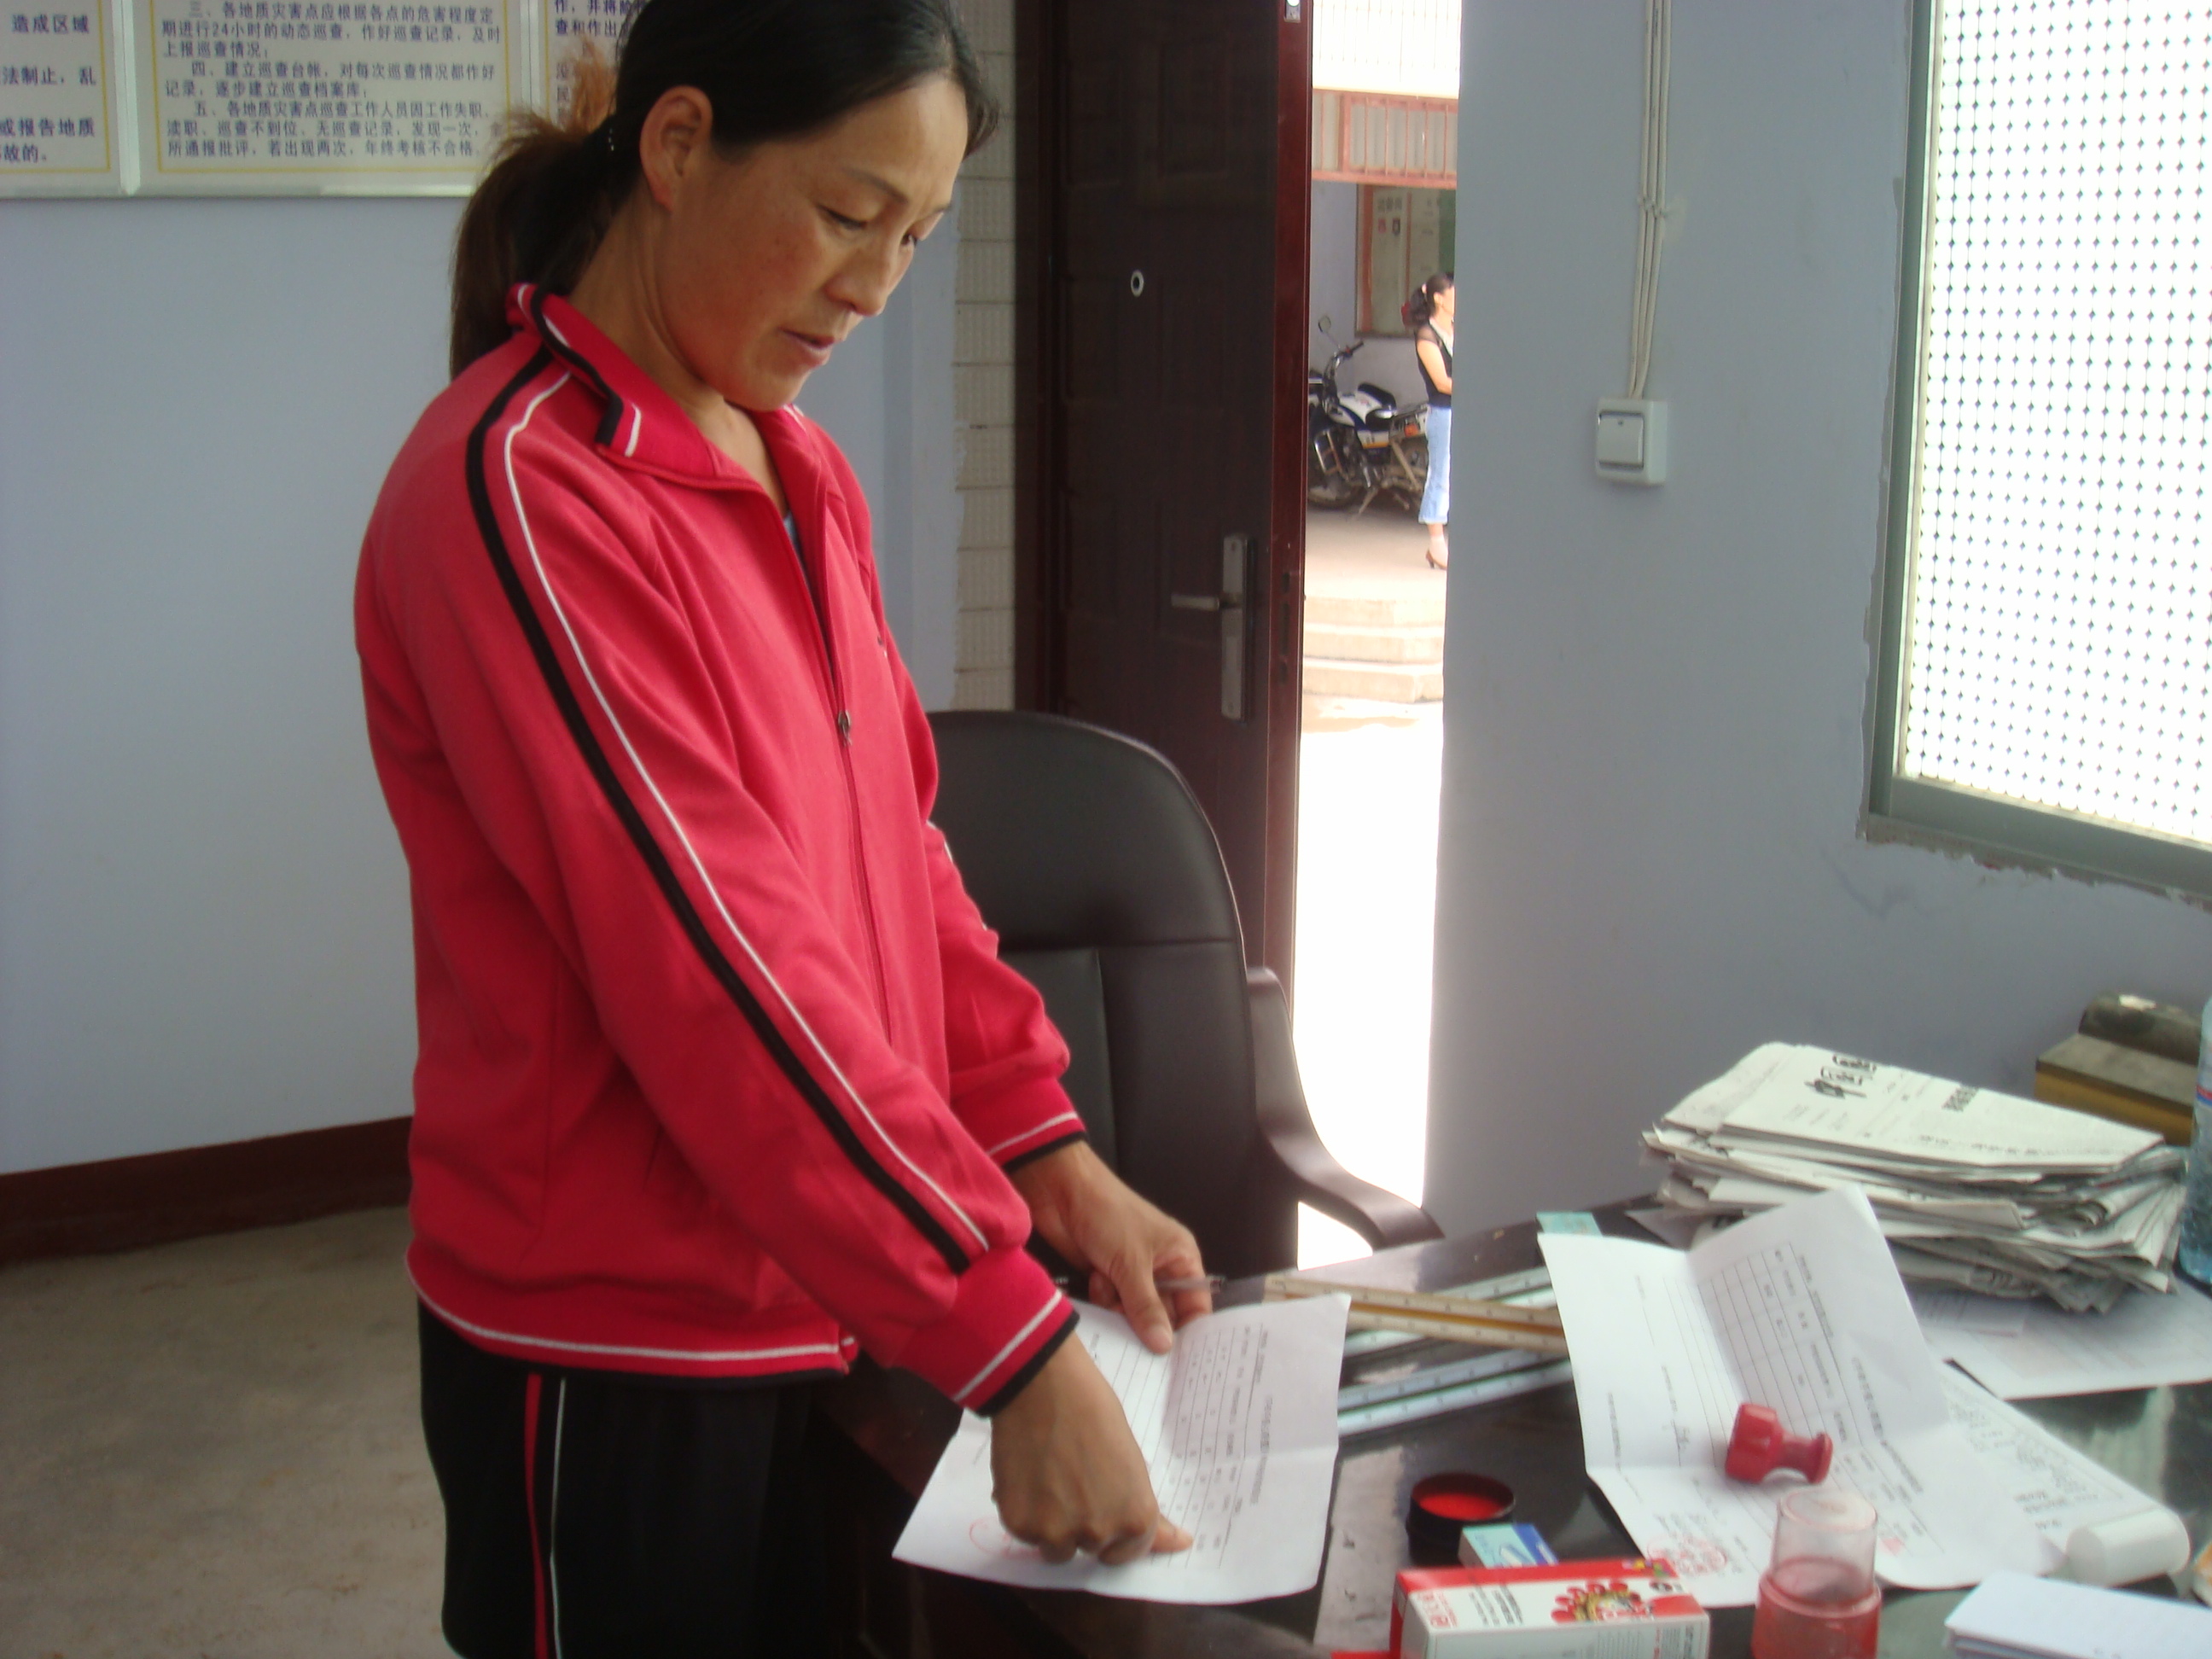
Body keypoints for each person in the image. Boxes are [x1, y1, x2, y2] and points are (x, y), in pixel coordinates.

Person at [353, 3, 1212, 1652]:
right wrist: (1009, 1339)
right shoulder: (524, 490)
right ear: (678, 146)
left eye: (916, 234)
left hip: (825, 1302)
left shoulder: (797, 472)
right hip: (614, 1349)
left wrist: (1045, 1149)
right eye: (843, 213)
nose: (873, 283)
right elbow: (720, 974)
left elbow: (900, 860)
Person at [1408, 272, 1456, 570]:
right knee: (1441, 475)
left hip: (1465, 412)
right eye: (1455, 293)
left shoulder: (1457, 329)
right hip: (1444, 413)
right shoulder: (1427, 335)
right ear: (1439, 298)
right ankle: (1436, 545)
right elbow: (1442, 382)